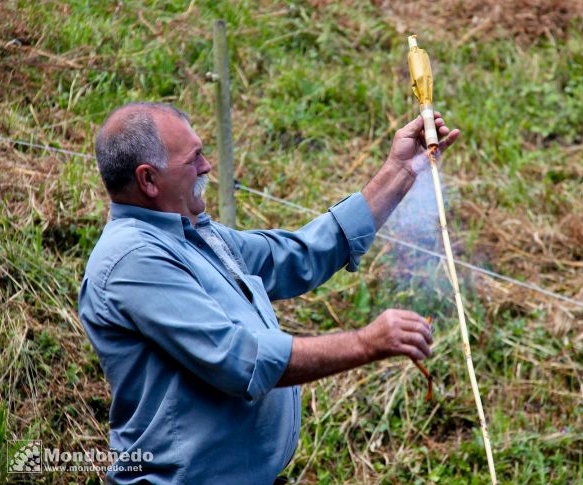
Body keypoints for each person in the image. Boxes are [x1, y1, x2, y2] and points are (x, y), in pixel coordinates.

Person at [78, 102, 459, 484]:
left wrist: (401, 170)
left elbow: (298, 255)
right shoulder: (134, 260)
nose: (207, 166)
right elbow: (240, 360)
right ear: (148, 180)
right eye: (193, 159)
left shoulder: (193, 235)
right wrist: (365, 343)